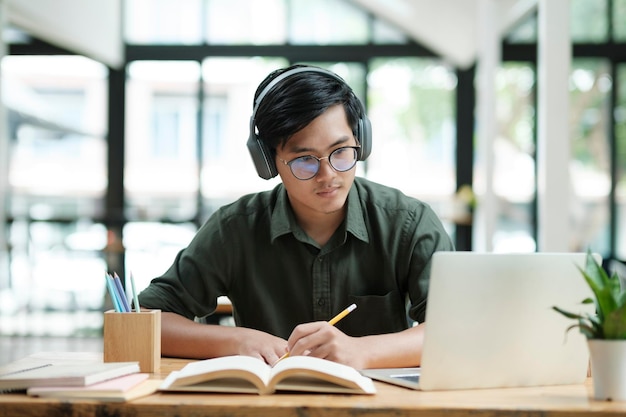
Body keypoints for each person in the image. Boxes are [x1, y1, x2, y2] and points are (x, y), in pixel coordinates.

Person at [137, 64, 455, 369]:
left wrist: (362, 351)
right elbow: (145, 321)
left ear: (361, 141)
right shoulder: (234, 229)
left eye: (341, 151)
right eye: (304, 160)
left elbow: (457, 328)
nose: (328, 174)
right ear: (269, 162)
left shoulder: (409, 223)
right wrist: (234, 341)